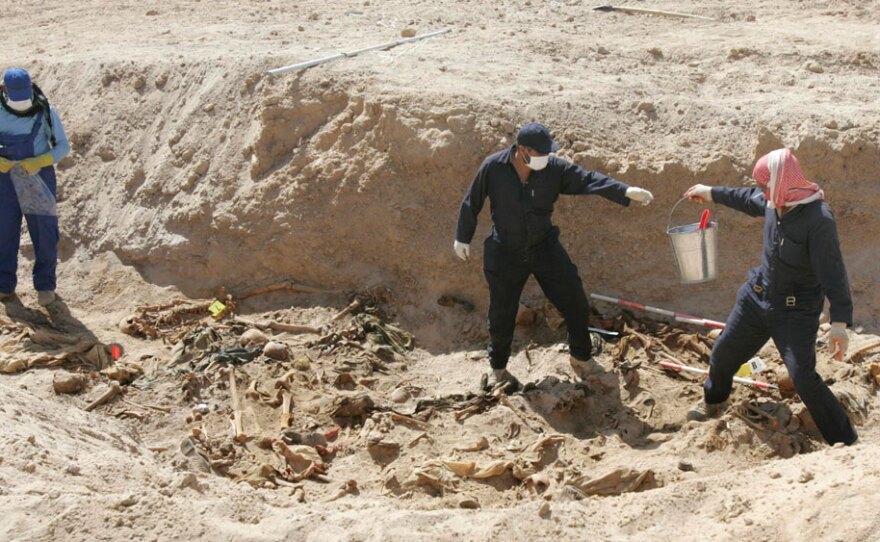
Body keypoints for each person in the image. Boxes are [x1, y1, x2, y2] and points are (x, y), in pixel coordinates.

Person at [454, 122, 654, 390]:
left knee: (575, 301)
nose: (545, 159)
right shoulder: (493, 167)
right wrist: (462, 237)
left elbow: (588, 179)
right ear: (522, 150)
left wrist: (624, 191)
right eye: (540, 154)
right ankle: (498, 370)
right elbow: (471, 201)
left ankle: (581, 358)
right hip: (506, 251)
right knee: (501, 313)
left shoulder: (553, 169)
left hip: (544, 247)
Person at [683, 148, 857, 445]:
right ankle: (714, 401)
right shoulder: (773, 200)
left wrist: (839, 323)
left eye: (765, 185)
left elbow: (833, 272)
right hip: (757, 298)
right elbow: (744, 197)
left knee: (802, 376)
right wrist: (710, 192)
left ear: (780, 181)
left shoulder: (818, 219)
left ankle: (845, 440)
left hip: (795, 310)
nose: (762, 191)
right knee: (724, 353)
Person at [0, 67, 70, 306]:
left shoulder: (46, 111)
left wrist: (40, 160)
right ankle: (4, 285)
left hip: (39, 178)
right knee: (4, 233)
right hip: (5, 181)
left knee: (45, 233)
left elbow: (62, 147)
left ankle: (45, 286)